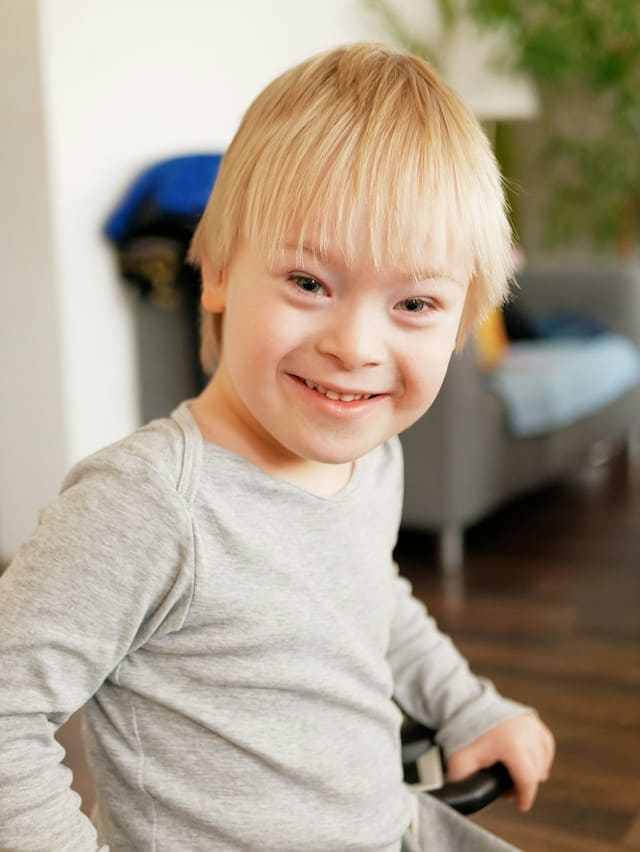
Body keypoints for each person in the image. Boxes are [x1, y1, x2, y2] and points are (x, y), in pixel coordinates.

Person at [0, 42, 554, 852]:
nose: (356, 345)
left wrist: (469, 705)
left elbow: (373, 599)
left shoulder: (368, 457)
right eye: (308, 284)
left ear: (463, 316)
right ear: (219, 270)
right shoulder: (150, 504)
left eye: (414, 303)